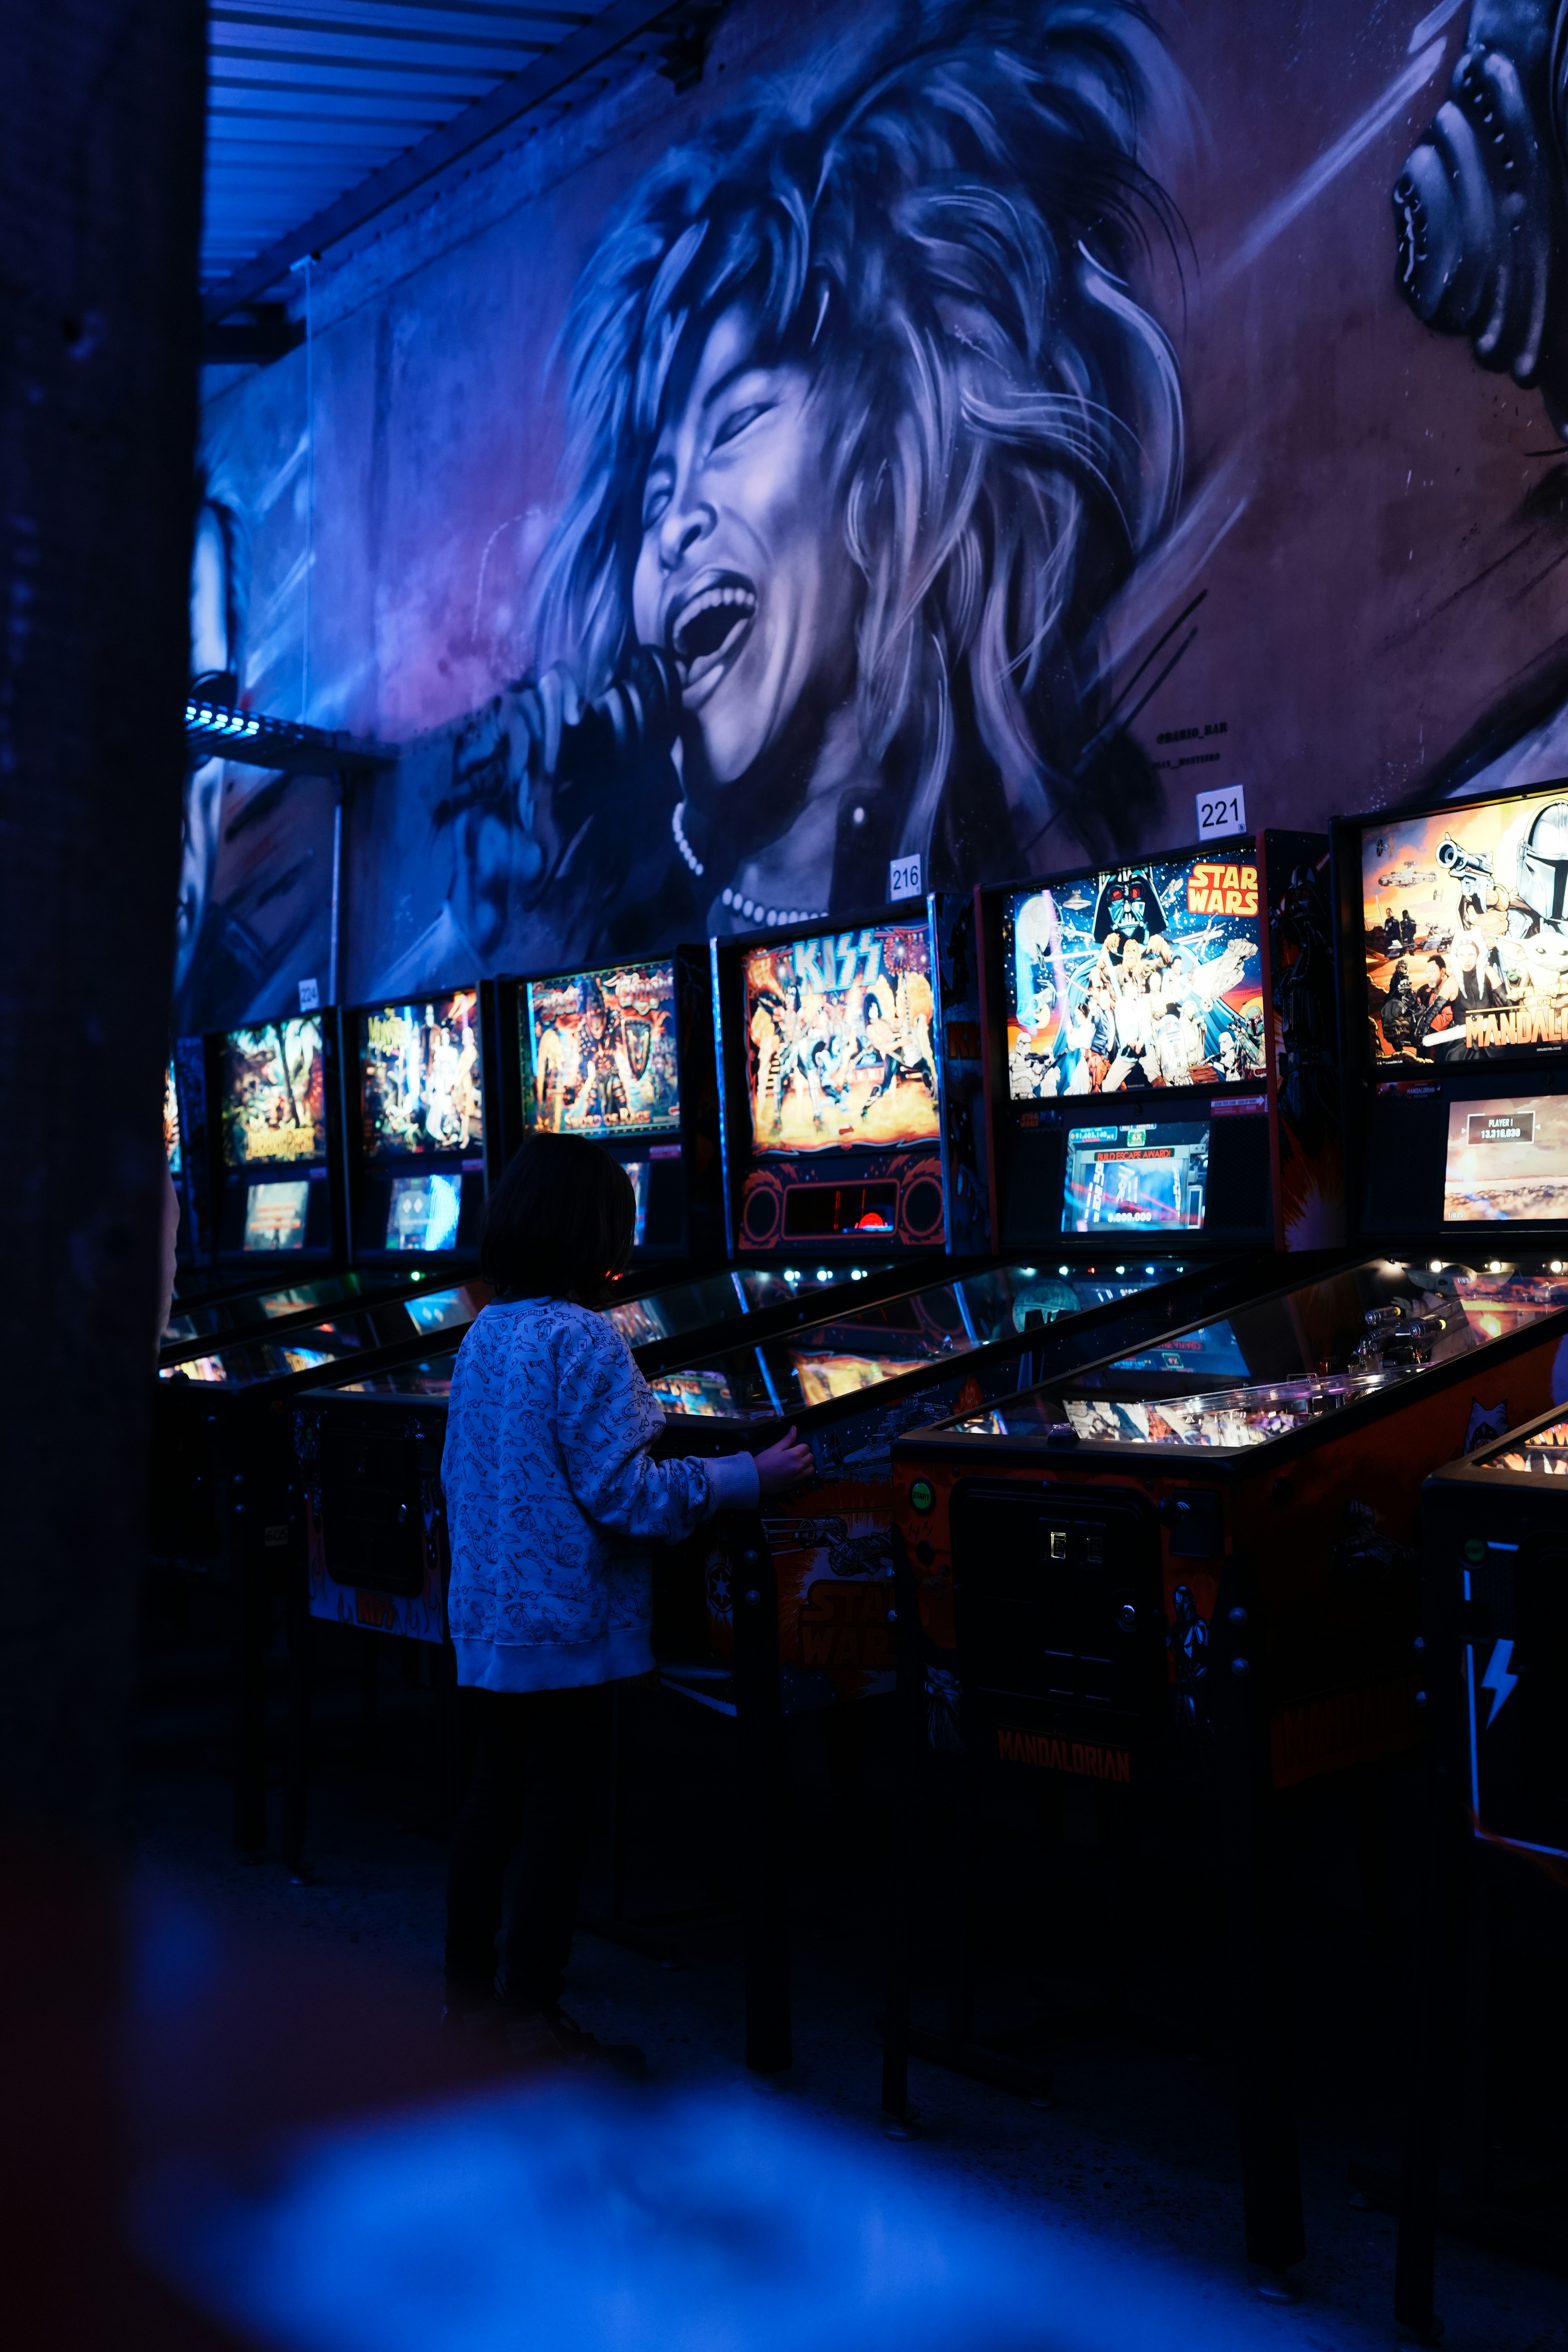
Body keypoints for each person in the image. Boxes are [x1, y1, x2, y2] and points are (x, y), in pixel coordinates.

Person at [440, 1132, 812, 2064]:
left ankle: (467, 2006)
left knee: (491, 1803)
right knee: (562, 1810)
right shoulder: (588, 1336)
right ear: (596, 1228)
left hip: (489, 1621)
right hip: (563, 1628)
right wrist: (747, 1478)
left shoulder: (487, 1329)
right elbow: (627, 1494)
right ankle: (534, 2008)